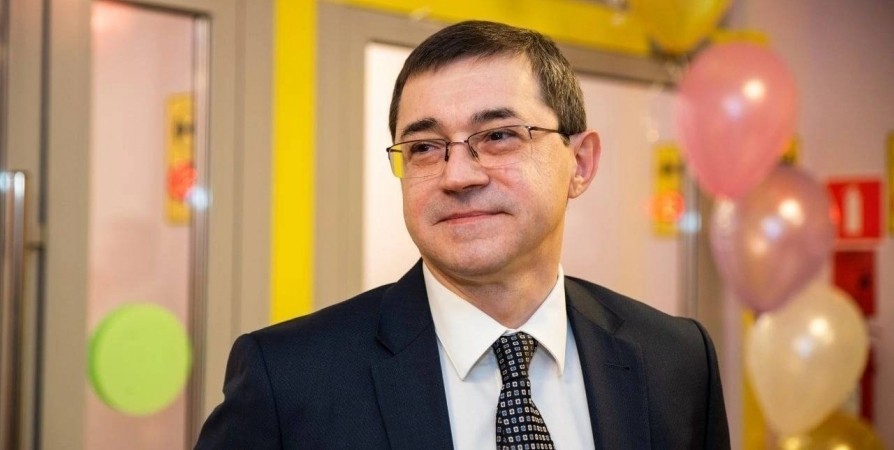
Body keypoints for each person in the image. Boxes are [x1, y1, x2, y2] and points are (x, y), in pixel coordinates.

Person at [195, 20, 729, 450]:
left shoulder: (676, 360)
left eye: (498, 136)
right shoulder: (290, 380)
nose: (457, 175)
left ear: (581, 163)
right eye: (425, 148)